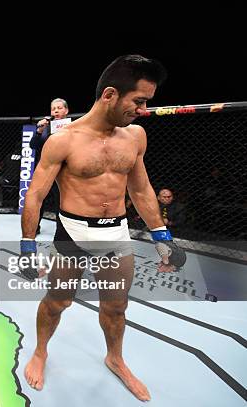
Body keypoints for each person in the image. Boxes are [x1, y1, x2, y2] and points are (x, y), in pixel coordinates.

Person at [20, 55, 185, 401]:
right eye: (138, 101)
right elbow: (35, 195)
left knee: (116, 307)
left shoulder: (135, 136)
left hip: (116, 236)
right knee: (57, 302)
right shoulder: (64, 140)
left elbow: (140, 189)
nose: (142, 110)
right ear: (110, 94)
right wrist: (27, 246)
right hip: (73, 234)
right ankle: (40, 351)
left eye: (146, 103)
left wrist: (161, 236)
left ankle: (115, 358)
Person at [30, 98, 70, 233]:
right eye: (53, 109)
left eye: (59, 108)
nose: (56, 111)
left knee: (62, 202)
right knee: (38, 199)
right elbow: (33, 146)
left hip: (64, 172)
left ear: (66, 111)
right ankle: (34, 227)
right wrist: (39, 131)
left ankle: (61, 229)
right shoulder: (45, 127)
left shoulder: (73, 128)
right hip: (46, 170)